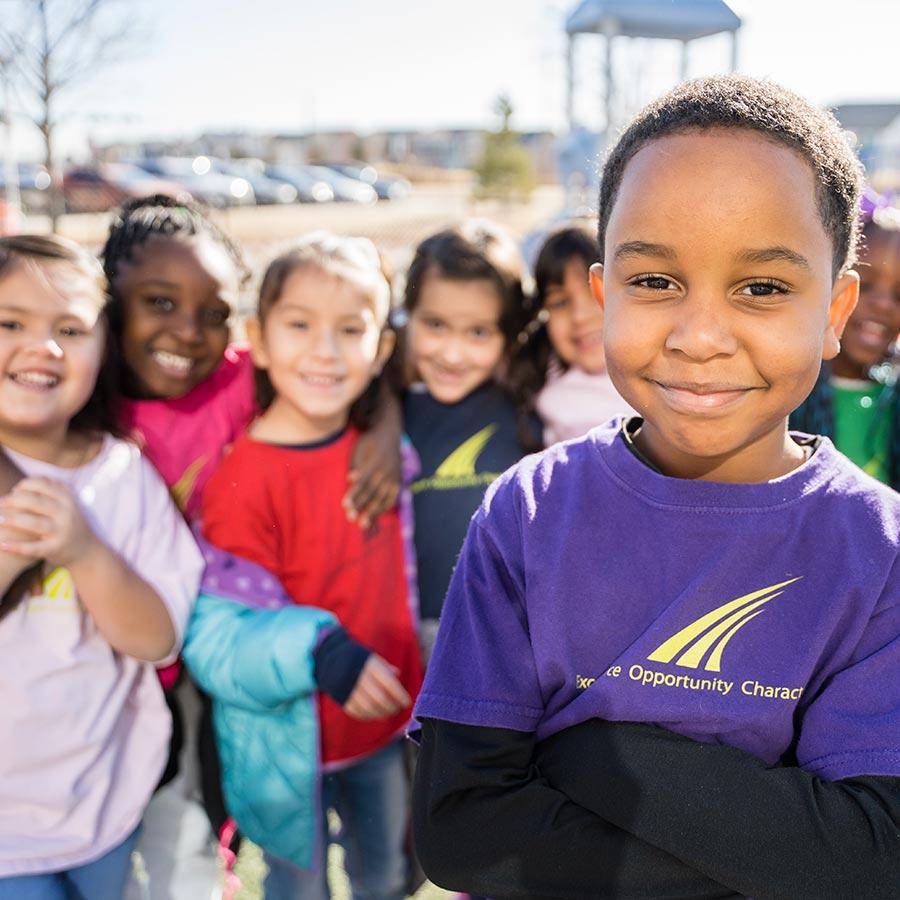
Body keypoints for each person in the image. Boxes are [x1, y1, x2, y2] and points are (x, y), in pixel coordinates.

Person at [412, 74, 900, 900]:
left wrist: (594, 754)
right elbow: (462, 831)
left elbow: (865, 857)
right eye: (654, 281)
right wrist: (757, 847)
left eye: (763, 288)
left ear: (835, 311)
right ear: (604, 297)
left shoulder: (877, 554)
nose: (699, 336)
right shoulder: (528, 516)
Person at [100, 195, 405, 847]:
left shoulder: (236, 381)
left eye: (213, 315)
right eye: (160, 302)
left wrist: (383, 422)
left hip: (218, 643)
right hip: (124, 656)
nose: (187, 331)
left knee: (209, 816)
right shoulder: (87, 403)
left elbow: (332, 371)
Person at [186, 232, 423, 900]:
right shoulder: (241, 480)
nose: (325, 350)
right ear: (258, 338)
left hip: (383, 727)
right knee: (298, 889)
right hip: (287, 747)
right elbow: (232, 629)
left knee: (385, 877)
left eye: (351, 329)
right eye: (299, 325)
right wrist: (324, 651)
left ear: (380, 351)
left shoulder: (383, 447)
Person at [0, 234, 202, 897]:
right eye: (9, 323)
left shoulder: (121, 474)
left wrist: (85, 550)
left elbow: (155, 639)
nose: (44, 346)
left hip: (106, 801)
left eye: (71, 329)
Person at [400, 220, 541, 661]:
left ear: (509, 334)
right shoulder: (387, 406)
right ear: (408, 317)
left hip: (508, 637)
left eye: (478, 333)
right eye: (436, 325)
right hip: (410, 639)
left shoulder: (531, 406)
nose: (452, 353)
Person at [791, 192, 900, 487]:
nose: (884, 305)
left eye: (899, 295)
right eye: (866, 286)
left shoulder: (891, 407)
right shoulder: (785, 398)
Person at [529, 225, 634, 444]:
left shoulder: (660, 380)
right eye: (560, 303)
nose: (579, 316)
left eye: (595, 292)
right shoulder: (536, 378)